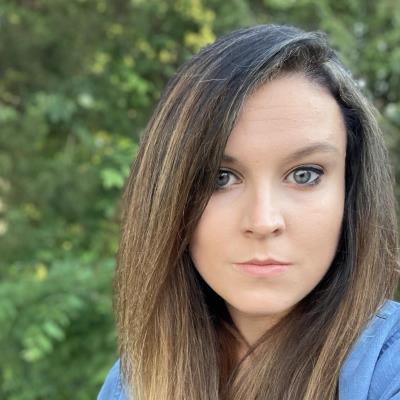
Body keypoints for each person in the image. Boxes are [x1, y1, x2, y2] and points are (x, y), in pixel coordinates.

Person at [97, 24, 400, 400]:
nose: (263, 221)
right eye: (220, 177)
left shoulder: (388, 369)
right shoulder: (132, 382)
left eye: (304, 174)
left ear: (349, 191)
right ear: (170, 197)